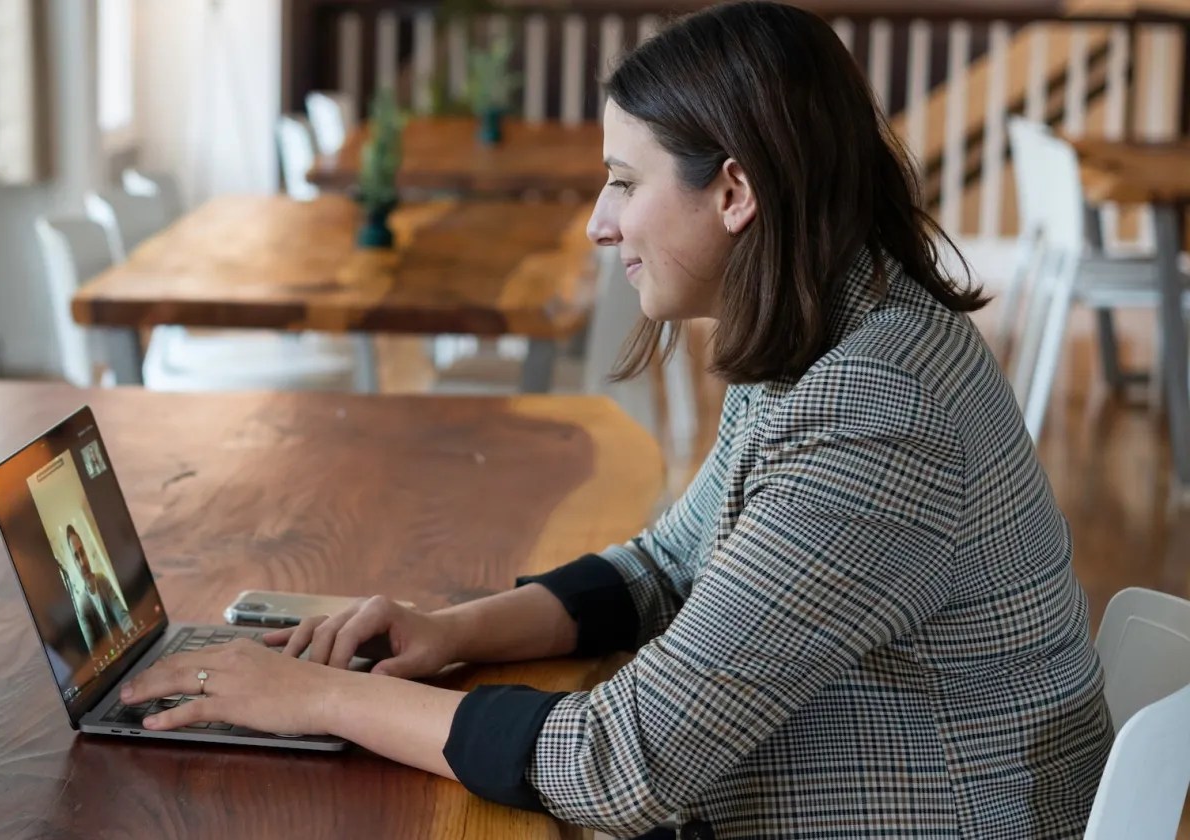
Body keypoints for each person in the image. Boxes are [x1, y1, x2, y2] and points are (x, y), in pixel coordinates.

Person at [119, 3, 1113, 837]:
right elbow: (668, 566)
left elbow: (622, 764)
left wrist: (318, 702)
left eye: (625, 183)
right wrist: (447, 630)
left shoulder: (880, 406)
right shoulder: (830, 327)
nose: (600, 222)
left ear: (733, 192)